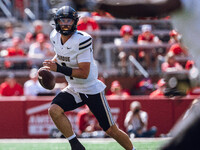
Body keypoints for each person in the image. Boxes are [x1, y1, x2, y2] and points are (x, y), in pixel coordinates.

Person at [42, 6, 135, 150]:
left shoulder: (82, 40)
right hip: (74, 87)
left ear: (75, 22)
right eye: (63, 20)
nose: (66, 23)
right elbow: (60, 55)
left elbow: (83, 72)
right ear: (57, 22)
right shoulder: (55, 36)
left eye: (69, 20)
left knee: (110, 130)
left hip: (90, 88)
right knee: (54, 110)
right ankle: (75, 145)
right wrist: (49, 66)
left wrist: (58, 69)